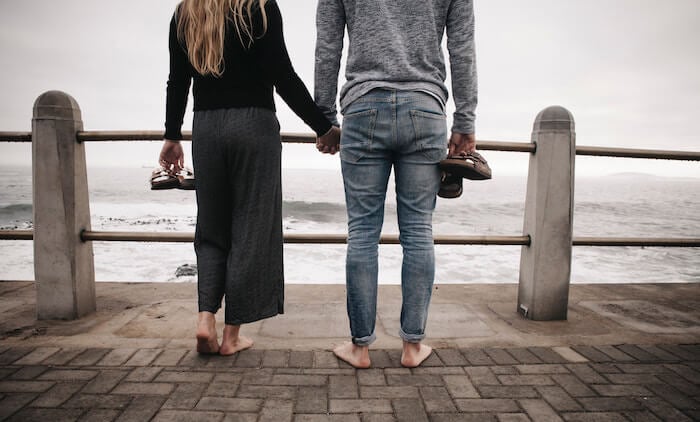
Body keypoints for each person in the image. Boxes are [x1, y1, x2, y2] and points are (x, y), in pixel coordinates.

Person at [160, 0, 341, 355]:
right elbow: (282, 74)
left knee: (211, 230)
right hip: (254, 125)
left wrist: (172, 136)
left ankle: (204, 319)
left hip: (207, 128)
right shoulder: (257, 7)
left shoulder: (187, 11)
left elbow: (177, 80)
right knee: (251, 229)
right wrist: (322, 127)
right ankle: (231, 337)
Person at [314, 0, 478, 368]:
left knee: (362, 233)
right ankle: (412, 346)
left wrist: (324, 118)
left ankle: (360, 348)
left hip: (362, 106)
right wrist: (465, 121)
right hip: (426, 106)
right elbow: (462, 48)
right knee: (419, 231)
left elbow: (328, 46)